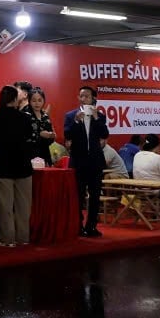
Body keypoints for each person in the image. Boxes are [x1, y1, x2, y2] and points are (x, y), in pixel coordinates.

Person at [0, 85, 34, 247]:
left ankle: (7, 239)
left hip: (2, 166)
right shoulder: (25, 118)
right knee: (24, 206)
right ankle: (23, 238)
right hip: (23, 165)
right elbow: (30, 137)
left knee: (5, 206)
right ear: (15, 100)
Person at [64, 86, 109, 238]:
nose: (83, 99)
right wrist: (76, 121)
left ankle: (91, 226)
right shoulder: (71, 116)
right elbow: (67, 135)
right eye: (81, 96)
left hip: (95, 162)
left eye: (87, 96)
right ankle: (78, 226)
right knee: (78, 195)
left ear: (93, 98)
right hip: (79, 161)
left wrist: (96, 118)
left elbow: (104, 134)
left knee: (95, 196)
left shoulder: (100, 116)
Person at [24, 87, 55, 166]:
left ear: (44, 101)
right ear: (29, 101)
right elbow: (23, 135)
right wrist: (39, 134)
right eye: (34, 101)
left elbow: (51, 138)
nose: (37, 103)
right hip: (29, 153)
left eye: (39, 100)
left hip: (44, 153)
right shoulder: (25, 115)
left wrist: (51, 136)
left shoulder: (45, 116)